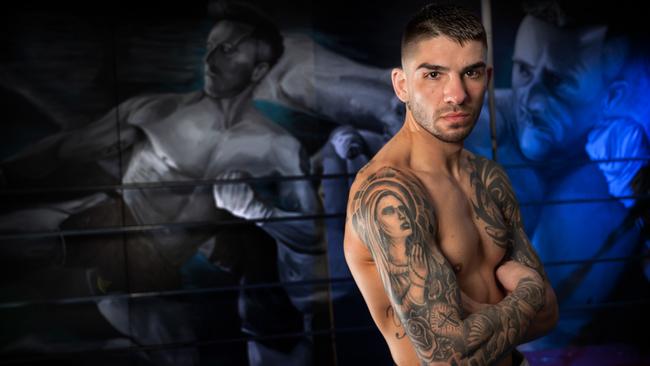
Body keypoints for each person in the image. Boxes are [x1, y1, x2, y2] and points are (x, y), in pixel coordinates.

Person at [0, 5, 328, 365]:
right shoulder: (154, 111)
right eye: (211, 44)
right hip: (111, 228)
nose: (212, 56)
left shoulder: (277, 147)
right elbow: (63, 149)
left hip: (160, 270)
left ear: (259, 69)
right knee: (31, 237)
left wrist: (257, 211)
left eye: (229, 48)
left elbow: (312, 235)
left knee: (182, 355)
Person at [343, 4, 558, 365]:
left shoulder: (489, 177)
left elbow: (549, 314)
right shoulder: (388, 194)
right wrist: (528, 292)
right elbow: (446, 359)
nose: (456, 94)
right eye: (433, 75)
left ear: (487, 78)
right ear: (401, 84)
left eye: (470, 72)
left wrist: (519, 306)